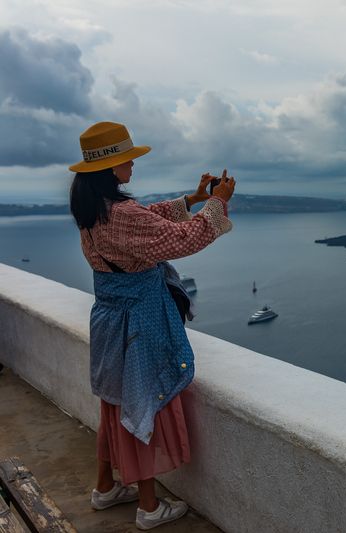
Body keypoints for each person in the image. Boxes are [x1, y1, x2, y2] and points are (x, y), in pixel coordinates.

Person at [68, 121, 235, 530]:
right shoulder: (121, 214)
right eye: (127, 160)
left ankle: (106, 487)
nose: (133, 166)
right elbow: (180, 240)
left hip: (110, 320)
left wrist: (194, 198)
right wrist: (217, 204)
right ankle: (148, 506)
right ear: (110, 168)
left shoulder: (96, 210)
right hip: (138, 325)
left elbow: (148, 219)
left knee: (115, 404)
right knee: (144, 405)